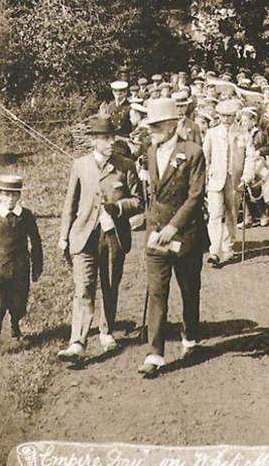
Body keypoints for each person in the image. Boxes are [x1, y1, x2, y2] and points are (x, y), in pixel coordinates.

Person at [58, 116, 143, 362]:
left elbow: (139, 201)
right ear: (94, 140)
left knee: (109, 285)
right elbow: (69, 204)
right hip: (84, 236)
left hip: (112, 236)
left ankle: (106, 332)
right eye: (104, 138)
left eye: (112, 137)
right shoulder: (80, 165)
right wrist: (64, 235)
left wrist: (118, 207)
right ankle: (77, 342)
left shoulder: (126, 165)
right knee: (83, 288)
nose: (110, 142)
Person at [137, 98, 208, 377]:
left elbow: (195, 196)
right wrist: (154, 226)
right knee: (157, 293)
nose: (151, 131)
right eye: (149, 127)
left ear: (171, 125)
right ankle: (155, 353)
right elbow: (152, 194)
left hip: (185, 234)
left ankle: (190, 337)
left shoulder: (193, 152)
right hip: (156, 234)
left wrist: (173, 227)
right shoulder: (151, 152)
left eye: (155, 126)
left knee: (189, 290)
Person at [0, 175, 43, 358]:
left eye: (14, 195)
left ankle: (15, 327)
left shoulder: (26, 216)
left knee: (18, 304)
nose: (10, 199)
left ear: (19, 196)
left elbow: (36, 242)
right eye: (6, 195)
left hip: (20, 268)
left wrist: (37, 265)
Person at [203, 100, 256, 267]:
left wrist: (247, 175)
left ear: (235, 116)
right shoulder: (212, 133)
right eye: (223, 116)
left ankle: (228, 248)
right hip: (216, 179)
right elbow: (205, 158)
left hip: (235, 181)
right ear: (218, 116)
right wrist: (203, 179)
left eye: (230, 116)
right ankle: (215, 250)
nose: (227, 119)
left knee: (231, 215)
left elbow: (250, 156)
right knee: (215, 215)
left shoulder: (243, 134)